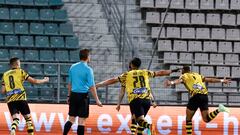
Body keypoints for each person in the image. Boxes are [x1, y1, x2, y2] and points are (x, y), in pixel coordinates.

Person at [96, 57, 180, 135]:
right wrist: (173, 70)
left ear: (131, 65)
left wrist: (98, 85)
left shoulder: (127, 75)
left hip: (135, 100)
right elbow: (160, 72)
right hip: (147, 101)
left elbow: (112, 81)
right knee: (138, 120)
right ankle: (137, 132)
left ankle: (149, 126)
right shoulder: (145, 72)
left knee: (138, 120)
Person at [164, 66, 231, 135]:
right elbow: (210, 80)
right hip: (204, 96)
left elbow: (179, 81)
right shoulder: (197, 75)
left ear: (183, 70)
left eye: (182, 71)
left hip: (196, 96)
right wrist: (222, 80)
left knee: (188, 119)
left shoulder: (184, 75)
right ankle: (219, 109)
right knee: (206, 119)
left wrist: (171, 83)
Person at [1, 57, 49, 135]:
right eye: (19, 63)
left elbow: (2, 91)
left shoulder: (5, 75)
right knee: (28, 119)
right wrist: (44, 80)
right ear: (17, 64)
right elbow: (34, 81)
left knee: (16, 119)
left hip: (10, 100)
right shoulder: (20, 72)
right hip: (21, 98)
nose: (20, 64)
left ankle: (13, 129)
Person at [63, 49, 102, 135]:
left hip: (73, 95)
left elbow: (69, 83)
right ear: (88, 57)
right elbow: (92, 86)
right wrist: (97, 100)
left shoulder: (72, 67)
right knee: (81, 121)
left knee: (71, 119)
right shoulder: (88, 70)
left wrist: (68, 96)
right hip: (83, 97)